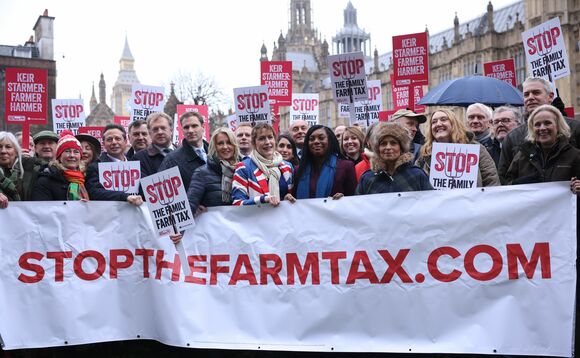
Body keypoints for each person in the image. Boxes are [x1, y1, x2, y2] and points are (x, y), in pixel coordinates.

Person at [499, 77, 580, 182]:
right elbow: (503, 178)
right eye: (526, 94)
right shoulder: (512, 137)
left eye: (536, 93)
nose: (530, 97)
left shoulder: (575, 128)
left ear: (550, 96)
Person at [417, 108, 500, 187]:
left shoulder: (476, 149)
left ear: (454, 124)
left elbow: (491, 181)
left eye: (443, 119)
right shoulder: (425, 155)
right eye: (434, 122)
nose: (438, 124)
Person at [506, 105, 580, 187]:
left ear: (558, 126)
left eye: (547, 123)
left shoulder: (574, 156)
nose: (542, 128)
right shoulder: (522, 156)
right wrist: (518, 183)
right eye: (537, 124)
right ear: (532, 129)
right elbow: (508, 185)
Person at [356, 123, 432, 194]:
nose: (388, 147)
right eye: (383, 143)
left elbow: (432, 202)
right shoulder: (367, 178)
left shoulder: (417, 175)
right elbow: (358, 205)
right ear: (378, 148)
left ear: (401, 147)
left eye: (393, 143)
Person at [232, 123, 295, 206]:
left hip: (283, 218)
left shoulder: (287, 167)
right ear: (254, 144)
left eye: (270, 137)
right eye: (262, 138)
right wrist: (262, 200)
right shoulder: (243, 168)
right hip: (256, 218)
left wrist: (286, 198)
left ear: (275, 140)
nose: (267, 142)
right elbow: (237, 203)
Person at [84, 124, 143, 205]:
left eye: (118, 138)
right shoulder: (95, 167)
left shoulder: (136, 164)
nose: (114, 142)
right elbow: (94, 192)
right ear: (103, 143)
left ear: (125, 141)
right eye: (109, 139)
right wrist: (125, 197)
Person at [294, 125, 357, 199]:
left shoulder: (346, 166)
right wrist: (288, 199)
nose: (316, 141)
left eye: (321, 138)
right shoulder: (298, 170)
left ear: (330, 141)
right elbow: (294, 199)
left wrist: (344, 200)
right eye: (311, 139)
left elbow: (353, 199)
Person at [187, 127, 240, 214]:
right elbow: (189, 207)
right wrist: (194, 211)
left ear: (234, 145)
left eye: (229, 142)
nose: (225, 147)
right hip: (213, 226)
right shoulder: (201, 173)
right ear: (214, 146)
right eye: (220, 143)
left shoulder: (244, 170)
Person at [32, 131, 90, 201]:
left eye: (76, 152)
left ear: (80, 157)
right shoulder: (46, 179)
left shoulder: (87, 178)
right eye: (67, 151)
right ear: (59, 157)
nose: (72, 155)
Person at [158, 111, 208, 192]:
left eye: (194, 126)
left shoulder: (216, 153)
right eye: (186, 127)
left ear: (203, 127)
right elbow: (163, 192)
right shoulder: (172, 159)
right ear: (182, 130)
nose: (190, 130)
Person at [0, 132, 44, 207]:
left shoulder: (32, 171)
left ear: (16, 152)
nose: (3, 151)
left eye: (8, 147)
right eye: (0, 147)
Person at [133, 112, 175, 177]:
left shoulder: (184, 153)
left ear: (171, 130)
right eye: (155, 129)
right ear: (149, 132)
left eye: (163, 128)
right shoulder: (139, 158)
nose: (160, 132)